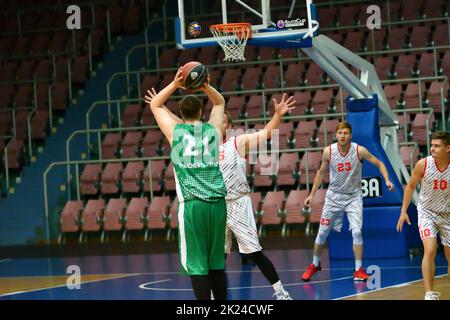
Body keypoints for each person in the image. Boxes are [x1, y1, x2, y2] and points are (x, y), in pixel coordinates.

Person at [145, 68, 228, 300]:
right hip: (218, 204)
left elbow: (156, 106)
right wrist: (205, 86)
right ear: (202, 112)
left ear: (180, 113)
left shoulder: (175, 131)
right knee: (216, 263)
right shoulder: (212, 130)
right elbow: (220, 103)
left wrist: (174, 84)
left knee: (197, 265)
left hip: (193, 206)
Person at [220, 93, 296, 300]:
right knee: (218, 257)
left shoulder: (236, 142)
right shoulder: (205, 149)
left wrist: (277, 115)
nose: (218, 121)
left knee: (253, 253)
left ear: (228, 126)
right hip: (217, 206)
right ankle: (214, 296)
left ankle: (281, 292)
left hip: (237, 203)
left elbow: (265, 134)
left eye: (222, 120)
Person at [301, 122, 394, 281]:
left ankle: (358, 269)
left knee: (357, 231)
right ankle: (315, 264)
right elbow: (321, 173)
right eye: (340, 133)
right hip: (333, 197)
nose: (343, 136)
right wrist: (311, 195)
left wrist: (387, 179)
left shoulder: (359, 150)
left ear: (350, 135)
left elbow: (379, 163)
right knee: (323, 232)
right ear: (336, 135)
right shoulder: (328, 151)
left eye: (345, 133)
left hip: (353, 197)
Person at [396, 131, 450, 300]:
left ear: (448, 148)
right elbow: (411, 186)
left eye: (437, 146)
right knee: (430, 249)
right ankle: (429, 293)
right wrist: (403, 211)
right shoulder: (423, 164)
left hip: (447, 214)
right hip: (427, 212)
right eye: (431, 145)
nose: (432, 149)